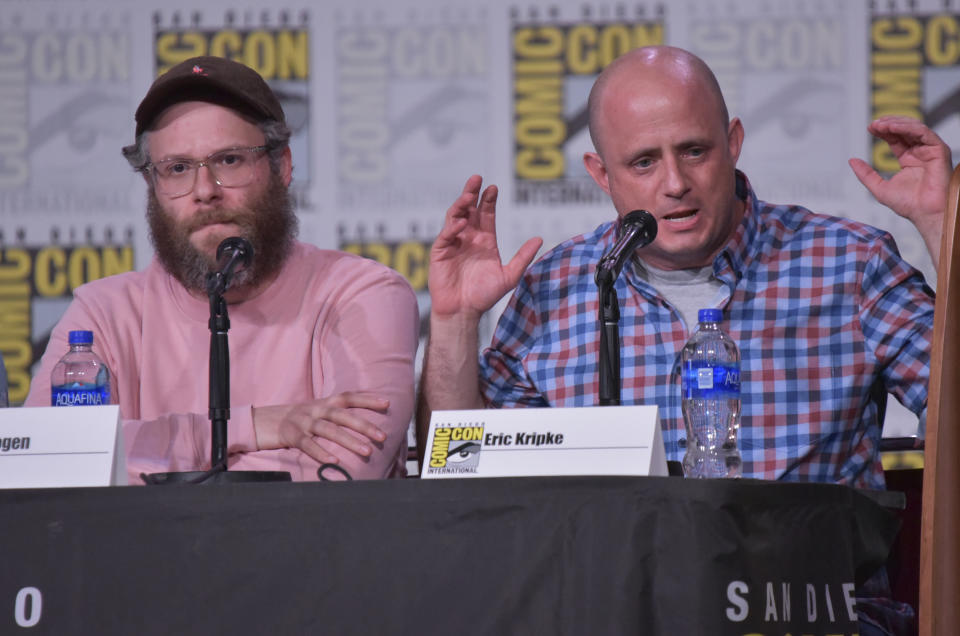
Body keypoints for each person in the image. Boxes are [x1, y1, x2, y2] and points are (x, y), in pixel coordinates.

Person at [418, 45, 950, 486]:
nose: (674, 183)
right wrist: (454, 321)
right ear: (602, 175)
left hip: (799, 604)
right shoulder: (557, 286)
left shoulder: (848, 265)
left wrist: (943, 229)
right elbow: (461, 470)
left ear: (733, 143)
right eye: (644, 162)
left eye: (694, 151)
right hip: (610, 607)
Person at [25, 56, 419, 482]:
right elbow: (48, 465)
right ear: (152, 186)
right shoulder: (103, 313)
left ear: (282, 166)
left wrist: (147, 467)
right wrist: (258, 427)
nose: (203, 191)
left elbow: (340, 473)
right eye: (177, 169)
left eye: (229, 160)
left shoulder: (360, 294)